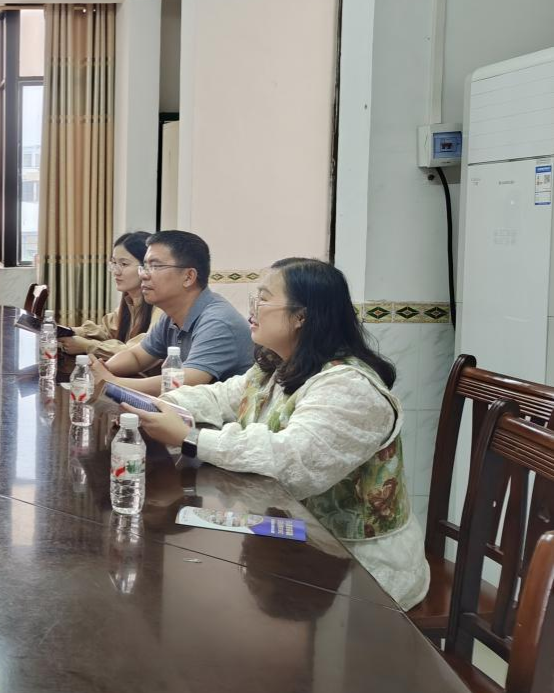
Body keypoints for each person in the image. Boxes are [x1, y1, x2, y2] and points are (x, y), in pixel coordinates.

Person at [131, 257, 430, 610]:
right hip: (294, 542)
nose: (252, 308)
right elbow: (219, 397)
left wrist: (191, 438)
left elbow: (292, 463)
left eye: (263, 298)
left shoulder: (349, 388)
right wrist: (164, 405)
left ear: (301, 316)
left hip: (357, 568)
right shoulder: (277, 366)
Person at [91, 230, 253, 396]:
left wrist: (112, 382)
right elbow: (137, 357)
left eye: (155, 266)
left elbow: (186, 382)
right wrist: (100, 369)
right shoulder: (170, 316)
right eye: (144, 266)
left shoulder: (217, 321)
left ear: (188, 277)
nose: (144, 275)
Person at [59, 231, 158, 360]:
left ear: (146, 267)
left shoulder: (161, 307)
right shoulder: (130, 300)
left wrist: (87, 346)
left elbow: (136, 352)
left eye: (124, 264)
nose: (116, 271)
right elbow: (107, 330)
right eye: (114, 263)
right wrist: (68, 331)